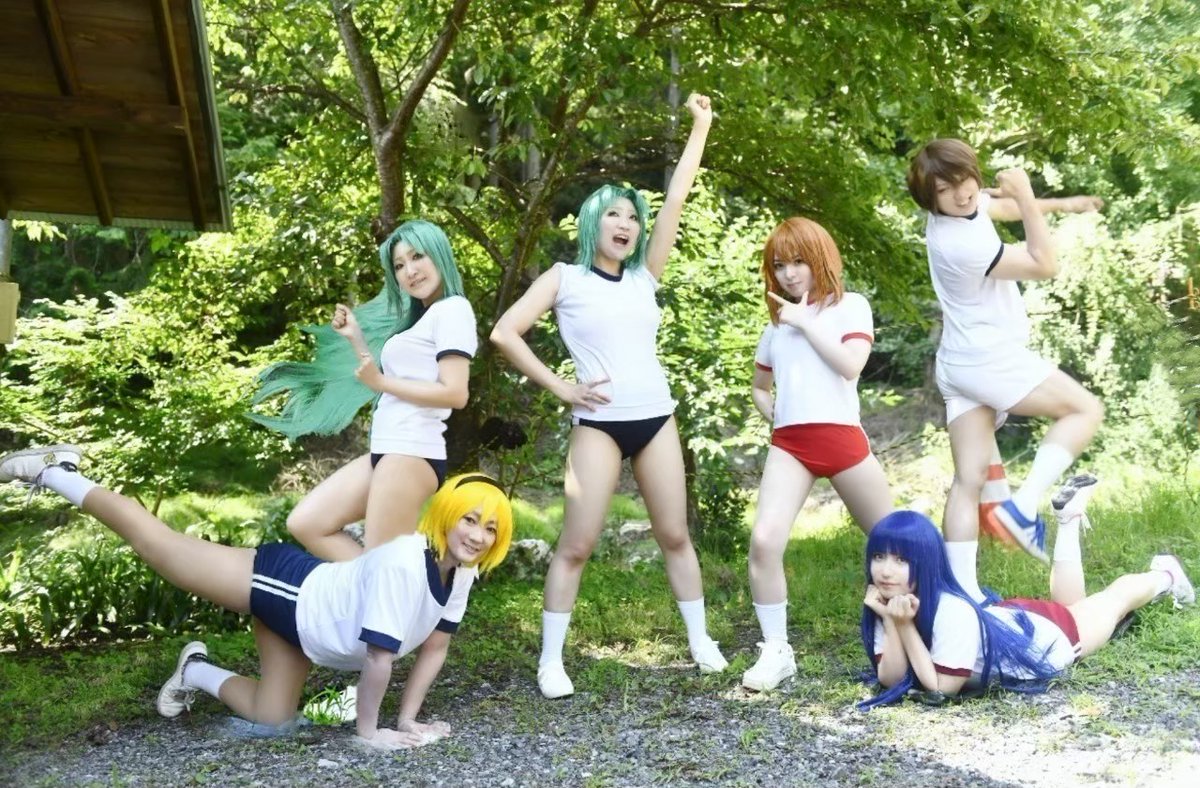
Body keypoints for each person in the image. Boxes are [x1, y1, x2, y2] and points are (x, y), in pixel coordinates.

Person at [0, 445, 513, 749]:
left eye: (490, 528)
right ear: (447, 515)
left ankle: (194, 672)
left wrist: (407, 721)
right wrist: (370, 733)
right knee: (165, 549)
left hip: (307, 632)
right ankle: (54, 472)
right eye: (470, 520)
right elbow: (380, 658)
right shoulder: (405, 561)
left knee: (273, 718)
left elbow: (436, 646)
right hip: (286, 590)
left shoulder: (461, 574)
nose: (478, 535)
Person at [490, 93, 726, 699]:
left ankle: (701, 642)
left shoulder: (645, 277)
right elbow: (504, 333)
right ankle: (550, 661)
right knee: (577, 544)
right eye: (614, 214)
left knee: (675, 535)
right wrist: (560, 386)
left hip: (655, 419)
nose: (625, 224)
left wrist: (700, 126)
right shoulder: (564, 278)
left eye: (633, 217)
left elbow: (677, 196)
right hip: (596, 424)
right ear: (593, 223)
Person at [907, 139, 1104, 601]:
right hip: (988, 358)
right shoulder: (961, 243)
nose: (961, 193)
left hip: (958, 361)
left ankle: (961, 591)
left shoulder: (963, 208)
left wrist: (1067, 204)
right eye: (945, 190)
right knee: (1085, 411)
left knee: (968, 478)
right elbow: (1044, 264)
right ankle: (1024, 505)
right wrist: (1029, 194)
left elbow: (1000, 206)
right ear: (930, 199)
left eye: (964, 180)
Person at [858, 474, 1193, 710]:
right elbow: (891, 678)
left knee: (1111, 602)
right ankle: (1069, 520)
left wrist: (902, 625)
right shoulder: (890, 603)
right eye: (878, 557)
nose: (885, 570)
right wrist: (891, 621)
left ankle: (1166, 575)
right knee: (1076, 606)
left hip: (1042, 640)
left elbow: (942, 689)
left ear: (926, 562)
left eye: (901, 560)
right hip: (1011, 622)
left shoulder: (952, 611)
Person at [251, 219, 477, 560]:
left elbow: (456, 393)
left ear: (439, 254)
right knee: (307, 523)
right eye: (399, 265)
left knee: (381, 567)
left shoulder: (453, 309)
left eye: (418, 256)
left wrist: (381, 383)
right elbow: (392, 377)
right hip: (388, 448)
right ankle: (382, 585)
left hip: (410, 450)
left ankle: (400, 587)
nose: (410, 271)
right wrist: (356, 339)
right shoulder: (422, 318)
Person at [742, 217, 893, 692]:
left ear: (820, 259)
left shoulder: (852, 307)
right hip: (790, 446)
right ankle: (776, 650)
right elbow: (759, 386)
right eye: (779, 265)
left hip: (843, 440)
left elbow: (851, 366)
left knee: (896, 541)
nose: (789, 274)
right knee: (764, 543)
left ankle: (915, 627)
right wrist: (773, 411)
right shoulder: (776, 326)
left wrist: (807, 322)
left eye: (799, 262)